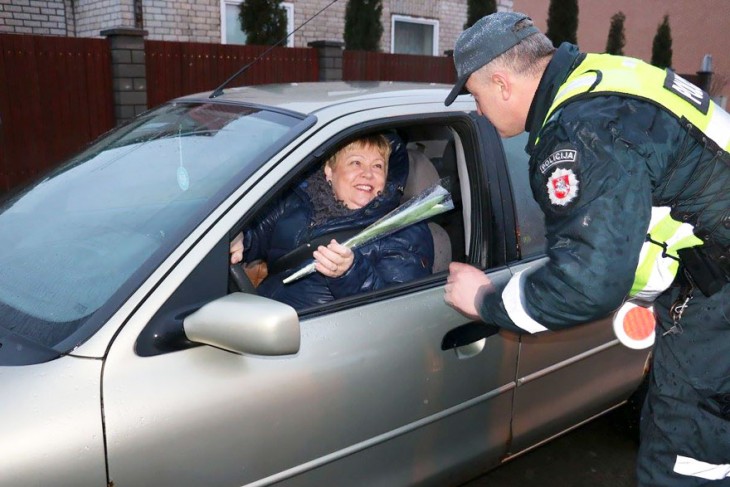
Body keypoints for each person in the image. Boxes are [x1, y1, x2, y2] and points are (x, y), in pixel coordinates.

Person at [442, 11, 729, 487]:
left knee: (686, 463)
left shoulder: (581, 131)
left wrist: (484, 300)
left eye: (475, 95)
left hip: (717, 302)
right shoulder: (604, 79)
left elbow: (586, 284)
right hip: (709, 277)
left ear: (501, 82)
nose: (479, 110)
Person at [230, 133, 434, 311]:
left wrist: (351, 273)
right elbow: (257, 234)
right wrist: (241, 239)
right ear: (329, 170)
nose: (368, 173)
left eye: (378, 166)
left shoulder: (403, 230)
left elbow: (400, 309)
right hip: (261, 318)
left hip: (325, 341)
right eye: (356, 162)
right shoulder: (299, 201)